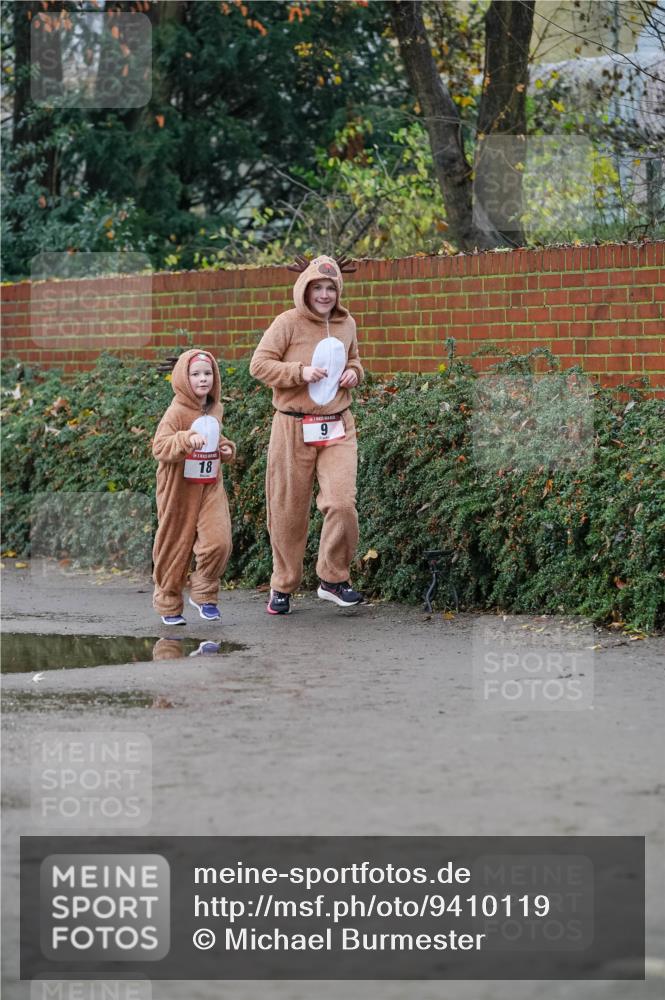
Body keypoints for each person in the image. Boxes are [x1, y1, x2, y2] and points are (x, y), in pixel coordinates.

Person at [249, 254, 364, 615]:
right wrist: (299, 372)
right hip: (292, 425)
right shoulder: (287, 323)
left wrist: (355, 374)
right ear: (305, 289)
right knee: (288, 510)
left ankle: (333, 578)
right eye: (319, 287)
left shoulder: (347, 324)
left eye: (331, 288)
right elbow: (259, 365)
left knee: (342, 502)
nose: (326, 294)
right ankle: (282, 584)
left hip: (337, 424)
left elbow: (356, 360)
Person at [152, 349, 235, 625]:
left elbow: (216, 437)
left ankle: (204, 596)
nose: (203, 379)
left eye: (208, 373)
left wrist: (225, 448)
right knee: (175, 547)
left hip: (210, 485)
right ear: (183, 378)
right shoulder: (175, 411)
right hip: (179, 489)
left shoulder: (216, 408)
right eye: (196, 374)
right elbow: (160, 447)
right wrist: (187, 439)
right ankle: (169, 602)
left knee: (219, 542)